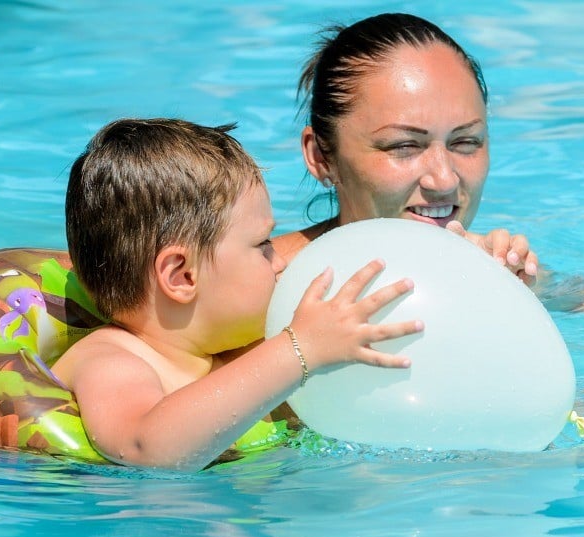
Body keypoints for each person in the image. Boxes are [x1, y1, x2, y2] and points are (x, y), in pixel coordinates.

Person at [274, 12, 584, 369]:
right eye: (403, 146)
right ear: (321, 157)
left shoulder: (481, 262)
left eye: (465, 142)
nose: (444, 180)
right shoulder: (260, 286)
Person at [51, 118, 424, 471]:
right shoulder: (113, 362)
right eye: (262, 245)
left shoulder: (223, 350)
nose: (279, 261)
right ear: (181, 275)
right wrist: (300, 350)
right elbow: (145, 448)